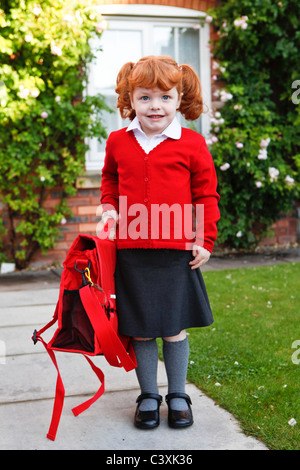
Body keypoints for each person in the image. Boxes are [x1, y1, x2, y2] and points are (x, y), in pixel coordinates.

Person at [100, 55, 220, 429]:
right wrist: (109, 209)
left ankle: (178, 393)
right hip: (131, 253)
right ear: (130, 99)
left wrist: (205, 238)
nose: (155, 106)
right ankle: (149, 394)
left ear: (179, 100)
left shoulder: (192, 144)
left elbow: (206, 195)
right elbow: (110, 182)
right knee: (140, 328)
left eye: (165, 98)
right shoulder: (118, 142)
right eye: (145, 97)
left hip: (175, 254)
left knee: (173, 327)